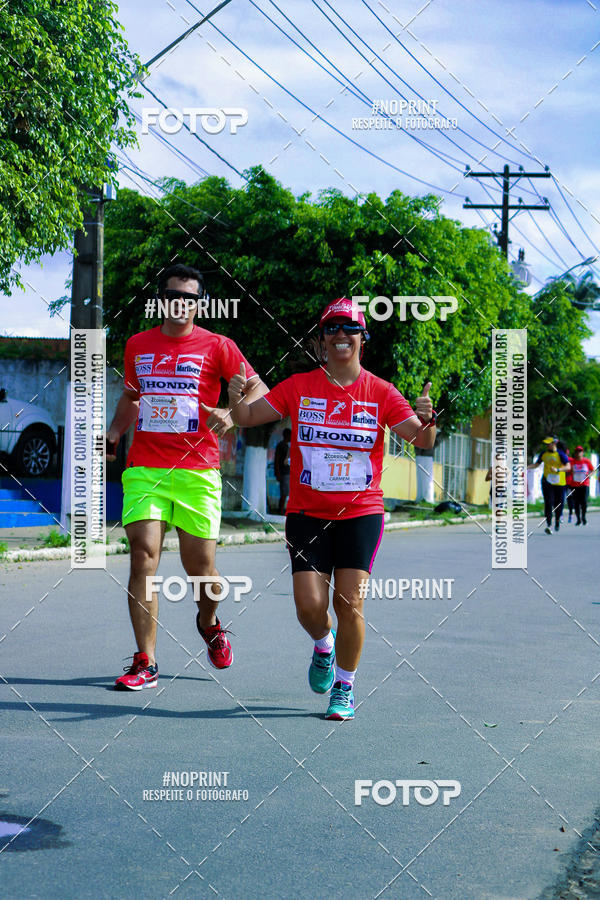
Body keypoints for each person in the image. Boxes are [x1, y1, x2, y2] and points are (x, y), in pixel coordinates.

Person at [227, 298, 436, 720]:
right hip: (307, 513)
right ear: (321, 341)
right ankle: (324, 645)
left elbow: (422, 440)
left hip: (361, 514)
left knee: (350, 602)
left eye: (350, 328)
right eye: (332, 329)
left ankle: (345, 686)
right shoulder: (299, 386)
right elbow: (247, 417)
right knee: (309, 606)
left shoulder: (381, 392)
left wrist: (427, 418)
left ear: (363, 338)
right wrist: (235, 399)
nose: (341, 335)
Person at [106, 264, 268, 690]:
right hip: (146, 468)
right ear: (161, 299)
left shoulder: (218, 346)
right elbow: (132, 396)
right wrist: (115, 431)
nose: (180, 304)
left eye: (189, 298)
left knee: (202, 570)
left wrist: (230, 413)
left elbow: (259, 389)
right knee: (143, 556)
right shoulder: (138, 344)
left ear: (200, 304)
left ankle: (209, 623)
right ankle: (146, 661)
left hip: (198, 471)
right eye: (173, 295)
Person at [528, 437, 569, 534]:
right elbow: (537, 464)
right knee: (548, 502)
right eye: (546, 444)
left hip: (559, 483)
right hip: (547, 482)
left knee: (559, 503)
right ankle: (548, 524)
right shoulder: (544, 454)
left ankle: (557, 520)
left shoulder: (561, 454)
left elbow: (568, 466)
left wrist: (558, 470)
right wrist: (526, 467)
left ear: (554, 443)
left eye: (548, 444)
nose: (547, 445)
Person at [570, 445, 594, 525]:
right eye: (577, 451)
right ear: (575, 453)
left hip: (584, 484)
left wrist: (589, 475)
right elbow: (569, 471)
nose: (578, 453)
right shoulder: (572, 462)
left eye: (580, 451)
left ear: (582, 453)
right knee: (576, 503)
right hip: (575, 484)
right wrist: (571, 472)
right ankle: (578, 519)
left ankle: (583, 517)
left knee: (584, 502)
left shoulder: (586, 461)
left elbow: (592, 470)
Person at [274, 428, 291, 514]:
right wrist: (277, 473)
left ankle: (282, 510)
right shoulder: (281, 445)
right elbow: (276, 460)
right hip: (283, 473)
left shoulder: (287, 446)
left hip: (287, 472)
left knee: (285, 492)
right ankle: (280, 511)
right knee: (284, 493)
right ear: (287, 435)